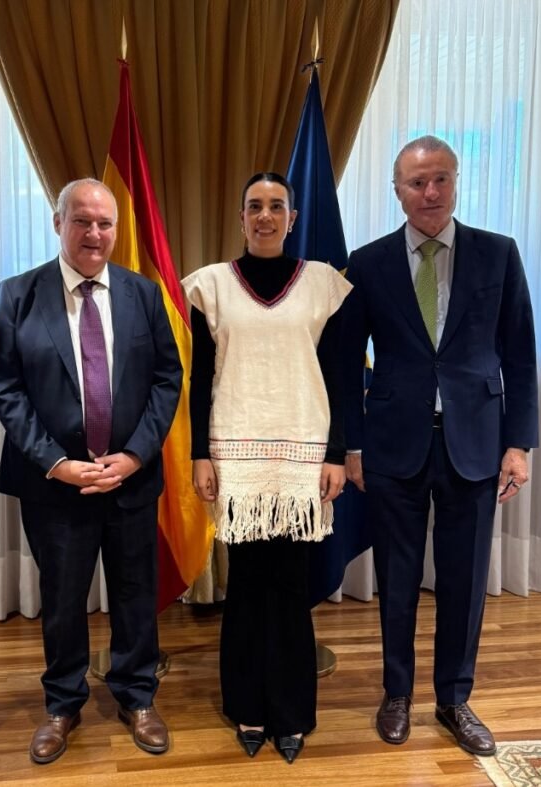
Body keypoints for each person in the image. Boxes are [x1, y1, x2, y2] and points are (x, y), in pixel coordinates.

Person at [343, 135, 539, 756]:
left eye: (440, 180)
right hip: (392, 446)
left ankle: (455, 700)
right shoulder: (367, 263)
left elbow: (520, 354)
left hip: (475, 445)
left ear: (456, 182)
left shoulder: (498, 254)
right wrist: (351, 447)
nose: (430, 193)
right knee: (397, 579)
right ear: (397, 191)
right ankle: (397, 693)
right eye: (416, 182)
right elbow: (345, 365)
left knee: (464, 580)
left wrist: (519, 444)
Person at [0, 178, 182, 764]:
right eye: (82, 221)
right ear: (58, 223)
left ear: (116, 229)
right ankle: (62, 703)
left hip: (129, 479)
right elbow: (7, 389)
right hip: (54, 485)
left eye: (104, 223)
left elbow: (167, 379)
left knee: (134, 593)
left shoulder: (144, 294)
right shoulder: (18, 294)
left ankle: (137, 697)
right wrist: (57, 463)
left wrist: (136, 455)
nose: (94, 233)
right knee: (63, 598)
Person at [182, 172, 351, 764]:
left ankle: (291, 711)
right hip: (236, 458)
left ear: (292, 218)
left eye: (277, 206)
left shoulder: (323, 285)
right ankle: (247, 707)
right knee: (247, 586)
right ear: (241, 217)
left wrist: (336, 454)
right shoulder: (211, 286)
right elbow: (201, 376)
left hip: (304, 457)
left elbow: (341, 375)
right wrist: (199, 453)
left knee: (291, 586)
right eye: (254, 206)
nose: (265, 216)